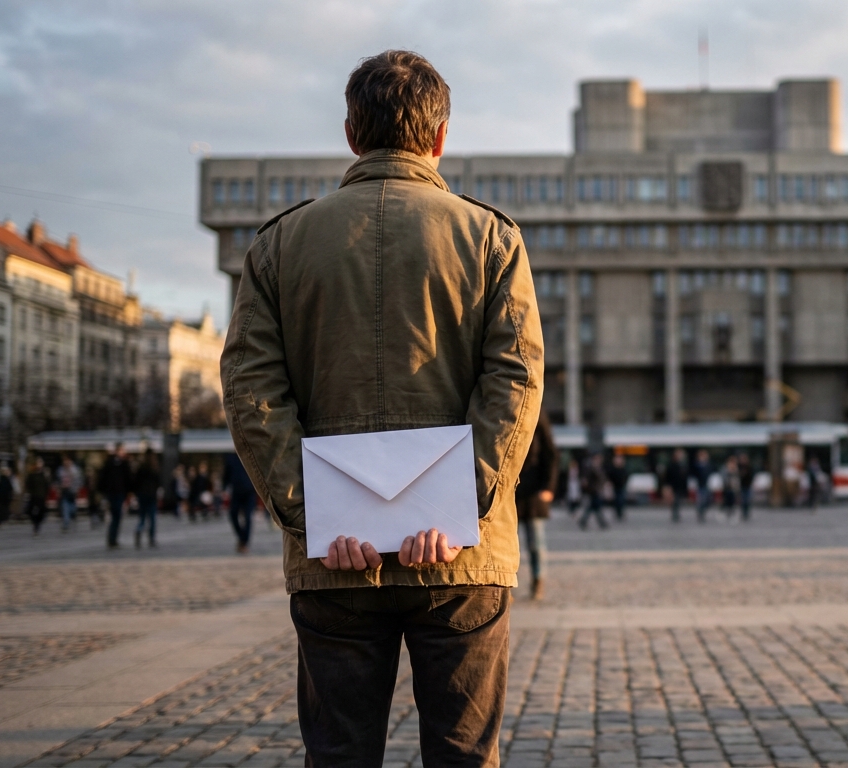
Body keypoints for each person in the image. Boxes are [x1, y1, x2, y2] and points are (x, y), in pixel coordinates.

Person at [220, 50, 543, 767]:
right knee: (463, 756)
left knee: (338, 756)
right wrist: (460, 506)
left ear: (350, 133)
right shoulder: (491, 237)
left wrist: (314, 514)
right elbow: (515, 383)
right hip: (462, 560)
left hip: (336, 560)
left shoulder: (279, 245)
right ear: (439, 138)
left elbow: (251, 393)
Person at [516, 411, 558, 600]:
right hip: (511, 491)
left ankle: (537, 580)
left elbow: (551, 454)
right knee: (508, 543)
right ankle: (506, 585)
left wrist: (548, 487)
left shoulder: (539, 416)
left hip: (534, 493)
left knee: (536, 543)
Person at [99, 443, 133, 548]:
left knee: (116, 516)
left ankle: (113, 538)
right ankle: (112, 538)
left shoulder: (123, 463)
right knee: (116, 515)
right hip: (114, 492)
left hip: (119, 492)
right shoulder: (112, 463)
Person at [222, 452, 256, 553]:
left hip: (250, 492)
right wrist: (224, 489)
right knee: (233, 514)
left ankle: (244, 542)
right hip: (236, 492)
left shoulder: (251, 456)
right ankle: (242, 537)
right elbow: (226, 475)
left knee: (248, 517)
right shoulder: (231, 458)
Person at [133, 453, 160, 549]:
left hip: (142, 495)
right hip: (151, 495)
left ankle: (139, 530)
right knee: (152, 518)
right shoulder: (154, 468)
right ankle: (151, 538)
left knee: (142, 517)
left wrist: (137, 493)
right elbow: (158, 482)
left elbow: (136, 482)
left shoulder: (141, 468)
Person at [578, 453, 608, 531]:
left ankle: (583, 521)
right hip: (593, 490)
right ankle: (602, 523)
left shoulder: (598, 468)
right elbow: (586, 479)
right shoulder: (591, 468)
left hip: (596, 490)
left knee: (592, 508)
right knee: (596, 507)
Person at [24, 457, 50, 536]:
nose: (39, 465)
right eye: (37, 463)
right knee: (29, 511)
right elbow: (28, 484)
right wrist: (29, 492)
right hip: (33, 496)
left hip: (42, 497)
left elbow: (47, 485)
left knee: (42, 512)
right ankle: (35, 522)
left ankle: (37, 524)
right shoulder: (32, 474)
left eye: (40, 463)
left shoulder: (44, 475)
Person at [56, 456, 82, 532]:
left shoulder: (75, 470)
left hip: (72, 492)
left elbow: (79, 481)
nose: (66, 463)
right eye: (64, 461)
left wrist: (77, 489)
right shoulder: (60, 470)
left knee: (72, 509)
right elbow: (58, 480)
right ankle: (66, 524)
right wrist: (59, 489)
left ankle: (72, 517)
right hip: (64, 492)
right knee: (65, 508)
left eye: (67, 461)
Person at [665, 449, 688, 522]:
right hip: (673, 487)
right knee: (675, 501)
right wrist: (668, 487)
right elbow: (668, 477)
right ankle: (675, 514)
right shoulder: (671, 465)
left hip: (679, 487)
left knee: (677, 501)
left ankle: (676, 514)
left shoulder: (683, 465)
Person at [606, 453, 630, 523]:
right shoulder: (612, 468)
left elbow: (626, 477)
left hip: (621, 487)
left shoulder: (623, 468)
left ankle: (620, 513)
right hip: (615, 487)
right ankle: (618, 513)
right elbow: (609, 477)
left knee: (621, 500)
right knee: (616, 501)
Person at [691, 449, 714, 522]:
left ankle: (702, 511)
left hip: (707, 485)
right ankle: (701, 513)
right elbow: (693, 475)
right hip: (700, 485)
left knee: (707, 500)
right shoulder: (696, 465)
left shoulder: (709, 465)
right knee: (701, 501)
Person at [720, 455, 740, 521]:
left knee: (733, 501)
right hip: (726, 487)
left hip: (734, 488)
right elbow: (723, 477)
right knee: (726, 501)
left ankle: (731, 514)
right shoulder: (725, 469)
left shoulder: (736, 469)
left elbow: (738, 479)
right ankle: (725, 513)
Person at [737, 453, 755, 522]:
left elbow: (751, 476)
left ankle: (746, 512)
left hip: (748, 485)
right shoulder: (739, 467)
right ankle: (743, 512)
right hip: (741, 486)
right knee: (743, 500)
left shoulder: (749, 467)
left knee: (748, 500)